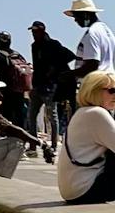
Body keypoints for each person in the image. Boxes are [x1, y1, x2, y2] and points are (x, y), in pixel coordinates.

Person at [57, 68, 115, 203]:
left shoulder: (82, 112)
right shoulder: (97, 114)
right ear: (94, 91)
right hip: (86, 190)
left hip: (75, 190)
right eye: (112, 91)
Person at [29, 19, 75, 154]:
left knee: (52, 116)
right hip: (37, 86)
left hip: (50, 87)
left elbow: (70, 56)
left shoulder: (53, 44)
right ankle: (32, 146)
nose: (33, 34)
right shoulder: (34, 46)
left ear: (42, 31)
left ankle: (54, 146)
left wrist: (54, 70)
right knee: (32, 116)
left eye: (35, 31)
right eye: (32, 32)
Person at [0, 32, 32, 129]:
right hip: (19, 91)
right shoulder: (18, 55)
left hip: (6, 92)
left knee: (6, 118)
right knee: (19, 116)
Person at [67, 0, 115, 80]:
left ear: (85, 15)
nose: (75, 20)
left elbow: (92, 65)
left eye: (76, 16)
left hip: (96, 83)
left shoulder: (92, 33)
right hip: (110, 80)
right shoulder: (106, 31)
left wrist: (69, 74)